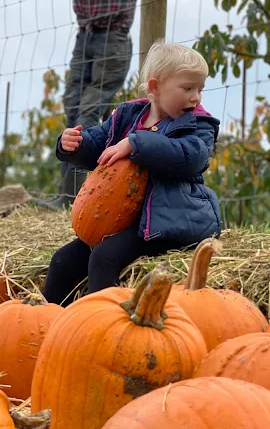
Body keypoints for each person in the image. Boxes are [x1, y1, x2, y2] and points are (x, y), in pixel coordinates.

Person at [27, 0, 218, 210]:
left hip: (111, 38)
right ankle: (72, 187)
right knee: (73, 105)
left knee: (89, 106)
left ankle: (74, 196)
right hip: (84, 37)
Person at [43, 41, 221, 305]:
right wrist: (73, 146)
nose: (196, 97)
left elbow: (190, 157)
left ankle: (101, 324)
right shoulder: (128, 115)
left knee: (104, 258)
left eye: (200, 89)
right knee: (63, 259)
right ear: (155, 87)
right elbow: (100, 146)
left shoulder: (197, 125)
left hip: (166, 222)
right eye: (187, 88)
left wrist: (136, 143)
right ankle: (49, 322)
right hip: (121, 221)